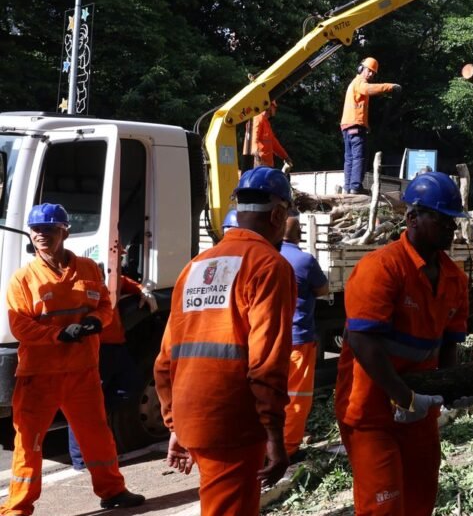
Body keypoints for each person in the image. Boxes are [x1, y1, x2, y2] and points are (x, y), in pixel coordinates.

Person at [154, 167, 297, 515]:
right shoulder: (268, 266)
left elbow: (166, 359)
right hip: (232, 421)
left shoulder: (195, 267)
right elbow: (266, 362)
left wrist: (177, 423)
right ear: (278, 215)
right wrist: (275, 436)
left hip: (194, 417)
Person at [335, 171, 471, 515]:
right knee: (383, 507)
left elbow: (449, 344)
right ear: (412, 218)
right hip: (372, 410)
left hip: (419, 411)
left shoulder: (454, 278)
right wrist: (404, 396)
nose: (451, 230)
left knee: (420, 500)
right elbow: (364, 342)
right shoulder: (381, 268)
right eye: (442, 220)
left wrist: (454, 387)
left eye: (453, 222)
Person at [2, 203, 145, 513]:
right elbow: (20, 326)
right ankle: (17, 508)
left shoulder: (89, 268)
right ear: (30, 233)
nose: (42, 235)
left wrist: (97, 320)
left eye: (49, 229)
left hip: (83, 371)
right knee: (29, 443)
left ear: (63, 231)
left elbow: (105, 305)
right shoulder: (23, 279)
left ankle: (113, 490)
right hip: (40, 375)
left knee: (96, 435)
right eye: (37, 230)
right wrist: (57, 334)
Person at [65, 245, 156, 471]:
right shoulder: (82, 279)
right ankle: (82, 462)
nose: (119, 262)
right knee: (84, 406)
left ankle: (99, 423)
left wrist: (141, 290)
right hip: (97, 348)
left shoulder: (110, 277)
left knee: (130, 385)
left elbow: (124, 282)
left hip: (116, 346)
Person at [279, 214, 330, 458]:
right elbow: (323, 289)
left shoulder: (266, 255)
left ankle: (268, 446)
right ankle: (288, 449)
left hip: (268, 340)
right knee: (297, 397)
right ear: (299, 234)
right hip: (298, 339)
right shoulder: (304, 260)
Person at [340, 56, 399, 194]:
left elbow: (357, 108)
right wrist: (390, 87)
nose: (371, 74)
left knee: (349, 158)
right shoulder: (360, 82)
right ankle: (355, 186)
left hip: (347, 126)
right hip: (355, 126)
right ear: (361, 69)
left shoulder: (353, 83)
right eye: (369, 70)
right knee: (359, 156)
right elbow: (367, 90)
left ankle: (348, 187)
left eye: (373, 72)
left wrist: (366, 125)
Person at [249, 102, 293, 171]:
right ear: (269, 106)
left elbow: (274, 144)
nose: (275, 109)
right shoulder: (258, 119)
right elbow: (254, 138)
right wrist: (255, 153)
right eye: (274, 107)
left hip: (268, 165)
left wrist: (285, 157)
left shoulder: (267, 123)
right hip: (260, 164)